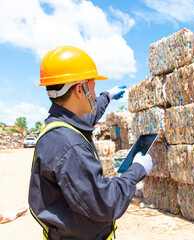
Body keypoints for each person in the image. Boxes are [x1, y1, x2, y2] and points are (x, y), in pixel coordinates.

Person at [28, 46, 152, 240]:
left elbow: (87, 119)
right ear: (80, 89)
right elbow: (106, 203)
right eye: (93, 87)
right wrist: (137, 170)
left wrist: (107, 97)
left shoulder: (57, 126)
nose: (94, 94)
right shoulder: (70, 146)